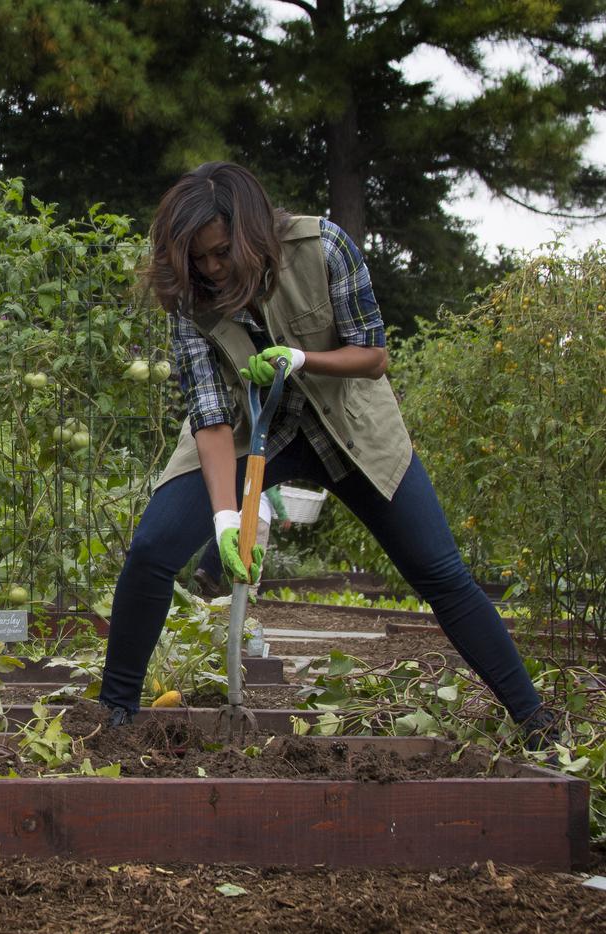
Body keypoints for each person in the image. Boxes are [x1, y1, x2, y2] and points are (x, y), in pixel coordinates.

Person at [99, 162, 556, 745]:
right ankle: (114, 716)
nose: (211, 268)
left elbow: (372, 355)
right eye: (198, 260)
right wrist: (222, 517)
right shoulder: (191, 296)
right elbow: (210, 414)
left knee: (438, 571)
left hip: (347, 428)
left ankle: (535, 720)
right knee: (153, 549)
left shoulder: (323, 247)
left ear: (249, 234)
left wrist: (303, 359)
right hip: (250, 429)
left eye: (220, 253)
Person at [191, 487, 291, 597]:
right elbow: (272, 493)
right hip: (259, 515)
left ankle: (206, 570)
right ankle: (249, 593)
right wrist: (283, 515)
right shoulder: (268, 472)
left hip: (241, 510)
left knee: (229, 544)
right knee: (256, 554)